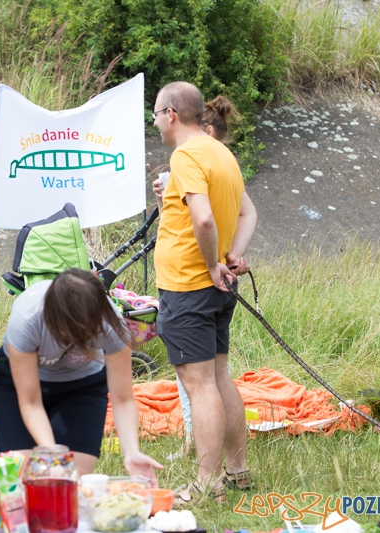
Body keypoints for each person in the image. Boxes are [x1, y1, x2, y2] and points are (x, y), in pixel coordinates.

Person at [152, 82, 257, 504]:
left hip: (189, 285)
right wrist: (234, 257)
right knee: (218, 376)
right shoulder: (221, 153)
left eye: (156, 114)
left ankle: (206, 483)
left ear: (172, 113)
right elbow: (249, 211)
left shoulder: (187, 154)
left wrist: (215, 262)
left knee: (200, 387)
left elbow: (204, 220)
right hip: (215, 287)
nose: (155, 123)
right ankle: (237, 471)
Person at [0, 268, 164, 484]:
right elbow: (31, 402)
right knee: (24, 476)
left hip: (82, 385)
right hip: (19, 386)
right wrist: (53, 456)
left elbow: (123, 398)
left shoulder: (111, 324)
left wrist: (132, 452)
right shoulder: (27, 317)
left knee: (73, 478)